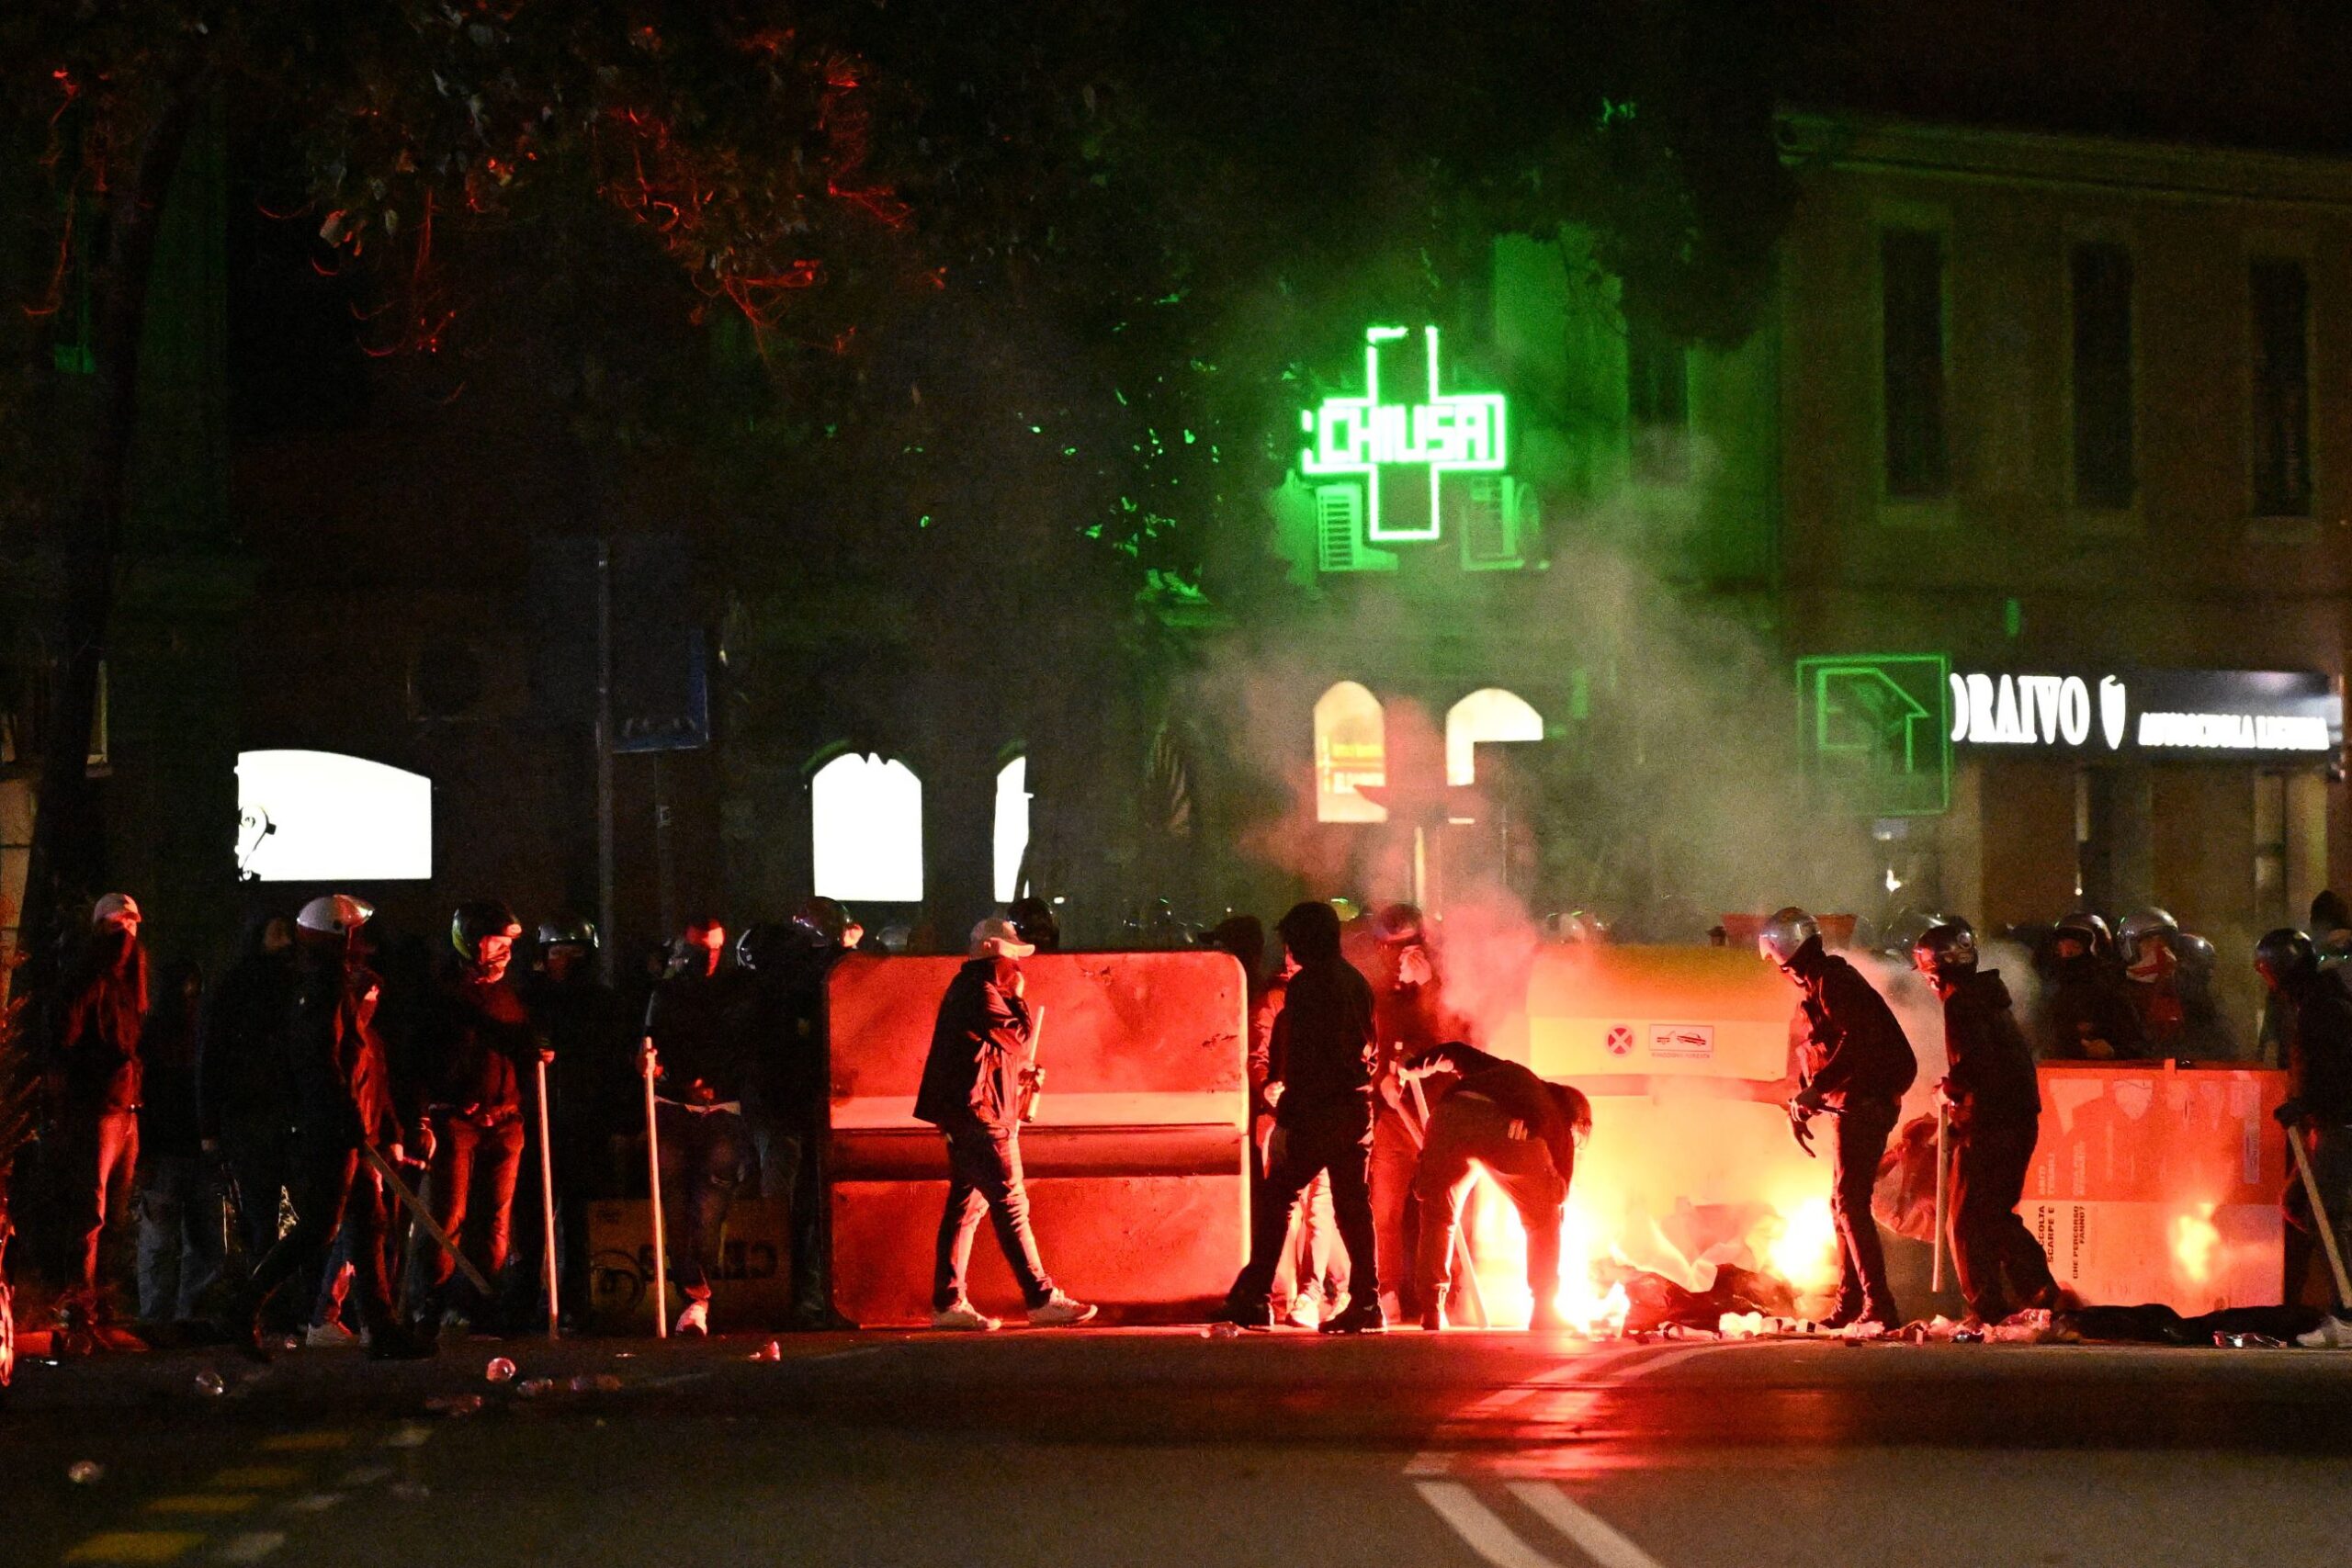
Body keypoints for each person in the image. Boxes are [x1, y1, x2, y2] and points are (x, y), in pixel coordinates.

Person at [219, 895, 432, 1360]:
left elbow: (353, 1062)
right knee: (318, 1228)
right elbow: (322, 1062)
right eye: (356, 933)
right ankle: (243, 1308)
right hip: (328, 1130)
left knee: (368, 1222)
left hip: (337, 1125)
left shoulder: (324, 982)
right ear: (341, 935)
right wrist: (346, 1119)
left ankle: (381, 1328)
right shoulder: (323, 987)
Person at [913, 918, 1095, 1330]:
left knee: (966, 1208)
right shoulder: (981, 991)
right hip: (982, 1116)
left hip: (972, 1112)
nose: (1018, 966)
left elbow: (995, 1053)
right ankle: (1040, 1297)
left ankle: (949, 1302)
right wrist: (1017, 999)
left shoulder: (969, 989)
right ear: (993, 951)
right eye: (1012, 955)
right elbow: (1018, 1037)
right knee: (1010, 1204)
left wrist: (1018, 1078)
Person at [1217, 901, 1387, 1335]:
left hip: (1319, 1110)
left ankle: (1255, 1295)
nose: (1287, 949)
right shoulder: (1356, 982)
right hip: (1354, 1108)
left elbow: (1306, 1058)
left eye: (1291, 940)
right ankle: (1367, 1302)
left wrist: (1291, 1115)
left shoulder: (1309, 986)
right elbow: (1367, 1051)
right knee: (1352, 1206)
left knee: (1279, 1198)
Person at [1761, 907, 1916, 1330]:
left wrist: (1817, 1088)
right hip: (1855, 1101)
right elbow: (1827, 1049)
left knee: (1850, 1202)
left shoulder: (1833, 982)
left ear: (1783, 952)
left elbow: (1856, 1041)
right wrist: (1808, 1096)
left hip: (1866, 1103)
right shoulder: (1821, 983)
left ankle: (1878, 1304)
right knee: (1840, 1203)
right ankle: (1851, 1302)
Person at [1912, 919, 2060, 1325]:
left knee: (1965, 1219)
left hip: (1988, 1122)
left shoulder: (1959, 1001)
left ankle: (1986, 1307)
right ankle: (2038, 1288)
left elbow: (1972, 1063)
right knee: (1995, 1212)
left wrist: (1949, 1091)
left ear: (1934, 969)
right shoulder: (1990, 997)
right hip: (2018, 1118)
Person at [413, 901, 542, 1331]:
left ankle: (480, 1302)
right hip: (457, 1122)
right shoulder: (442, 995)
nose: (504, 952)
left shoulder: (511, 993)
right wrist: (438, 1105)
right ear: (470, 942)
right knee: (447, 1217)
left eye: (508, 944)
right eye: (495, 943)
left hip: (506, 1122)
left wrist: (536, 1051)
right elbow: (424, 1060)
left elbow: (517, 1047)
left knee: (495, 1224)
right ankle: (432, 1302)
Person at [1402, 1040, 1588, 1332]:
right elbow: (1559, 1193)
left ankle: (1431, 1310)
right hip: (1510, 1130)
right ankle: (1543, 1310)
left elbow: (1455, 1052)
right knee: (1542, 1220)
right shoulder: (1557, 1118)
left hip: (1450, 1115)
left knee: (1438, 1215)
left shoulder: (1511, 1072)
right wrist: (1551, 1197)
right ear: (1573, 1117)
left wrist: (1413, 1066)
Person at [639, 917, 753, 1336]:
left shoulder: (736, 992)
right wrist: (653, 1067)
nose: (708, 959)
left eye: (716, 950)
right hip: (672, 1101)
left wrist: (714, 1082)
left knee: (708, 1205)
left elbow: (744, 1046)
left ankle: (697, 1296)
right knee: (673, 1203)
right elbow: (649, 1044)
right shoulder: (667, 992)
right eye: (700, 950)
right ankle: (693, 1296)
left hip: (720, 1104)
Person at [522, 915, 628, 1327]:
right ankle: (527, 1300)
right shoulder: (531, 998)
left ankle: (578, 1302)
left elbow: (611, 1061)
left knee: (581, 1220)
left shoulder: (603, 1003)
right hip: (538, 1119)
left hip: (586, 1122)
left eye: (575, 953)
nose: (565, 961)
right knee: (532, 1219)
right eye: (557, 953)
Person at [48, 893, 150, 1315]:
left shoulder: (130, 981)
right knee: (93, 1210)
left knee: (116, 1212)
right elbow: (64, 1033)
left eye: (129, 928)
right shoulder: (89, 974)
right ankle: (81, 1299)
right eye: (117, 928)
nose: (125, 937)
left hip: (125, 1107)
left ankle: (101, 1297)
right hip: (99, 1107)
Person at [1367, 901, 1467, 1321]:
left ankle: (1443, 1296)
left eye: (1406, 949)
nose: (1398, 960)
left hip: (1441, 1118)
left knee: (1442, 1208)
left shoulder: (1449, 988)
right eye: (1389, 950)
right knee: (1383, 1207)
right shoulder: (1383, 995)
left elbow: (1455, 1042)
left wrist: (1429, 986)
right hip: (1396, 1118)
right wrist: (1382, 1081)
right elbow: (1377, 1046)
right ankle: (1385, 1290)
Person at [199, 914, 300, 1296]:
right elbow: (211, 1057)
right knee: (260, 1216)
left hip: (282, 1114)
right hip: (250, 1116)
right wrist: (209, 1125)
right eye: (277, 933)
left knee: (301, 1218)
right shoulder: (236, 989)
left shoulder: (292, 984)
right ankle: (265, 1302)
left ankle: (287, 1301)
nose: (286, 942)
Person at [2256, 929, 2352, 1306]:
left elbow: (2339, 1070)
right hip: (2325, 1122)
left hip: (2340, 1125)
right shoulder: (2314, 1004)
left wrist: (2307, 1101)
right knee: (2299, 1203)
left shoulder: (2325, 1008)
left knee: (2325, 1215)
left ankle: (2346, 1309)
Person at [132, 959, 224, 1324]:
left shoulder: (203, 1033)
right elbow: (148, 1095)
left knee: (204, 1244)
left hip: (199, 1149)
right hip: (169, 1149)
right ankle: (157, 1319)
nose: (192, 998)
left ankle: (188, 1318)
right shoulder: (157, 1035)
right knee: (160, 1241)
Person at [2035, 911, 2144, 1061]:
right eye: (2061, 949)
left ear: (2096, 951)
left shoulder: (2112, 996)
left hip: (2101, 1079)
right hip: (2057, 1080)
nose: (2066, 955)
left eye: (2074, 948)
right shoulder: (2053, 995)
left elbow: (2139, 1047)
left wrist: (2113, 1051)